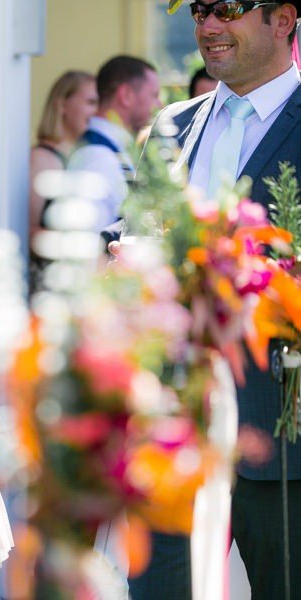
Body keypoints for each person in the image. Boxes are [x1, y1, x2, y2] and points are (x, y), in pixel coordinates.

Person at [131, 2, 301, 598]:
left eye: (226, 9)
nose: (207, 26)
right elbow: (132, 227)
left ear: (283, 19)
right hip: (170, 430)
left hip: (282, 434)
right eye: (201, 11)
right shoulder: (173, 124)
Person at [68, 55, 161, 233]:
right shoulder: (97, 156)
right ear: (126, 95)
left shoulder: (113, 150)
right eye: (154, 95)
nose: (160, 104)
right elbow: (86, 236)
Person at [28, 70, 98, 240]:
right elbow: (28, 230)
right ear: (63, 105)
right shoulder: (41, 158)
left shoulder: (82, 155)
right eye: (91, 102)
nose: (97, 112)